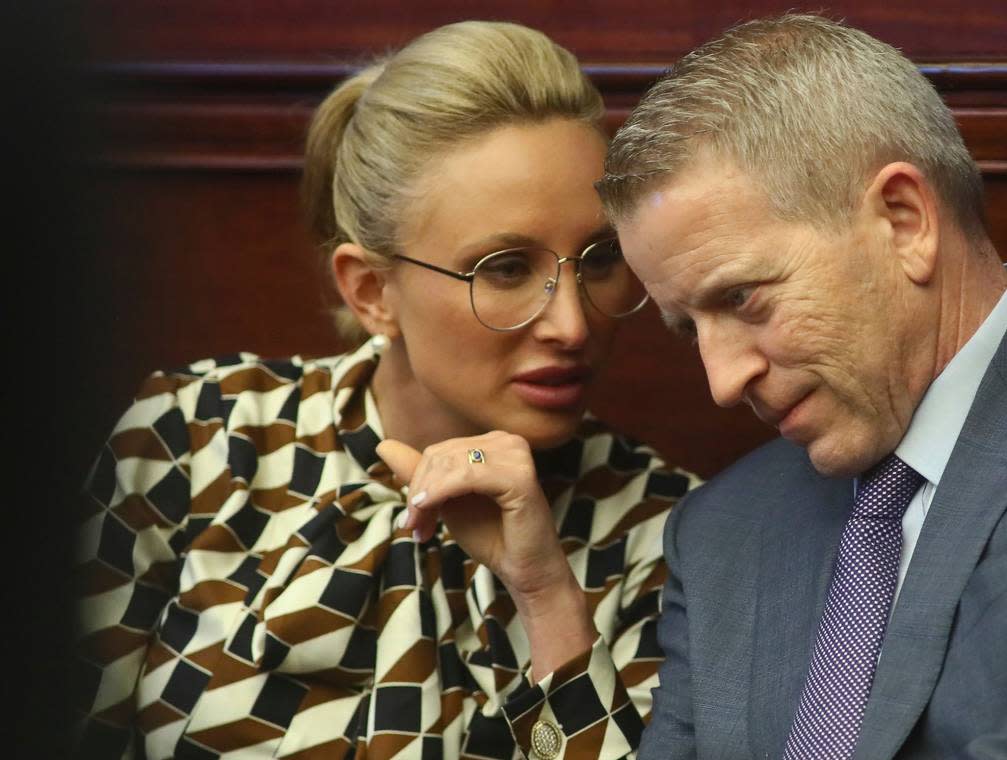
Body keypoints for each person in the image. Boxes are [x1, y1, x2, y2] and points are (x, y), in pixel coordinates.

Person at [74, 21, 697, 759]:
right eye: (503, 269)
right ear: (370, 291)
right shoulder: (198, 438)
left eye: (599, 259)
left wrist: (546, 594)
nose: (571, 323)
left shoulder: (671, 532)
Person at [598, 13, 1007, 760]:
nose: (722, 381)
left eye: (742, 298)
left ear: (904, 220)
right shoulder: (723, 531)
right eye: (689, 328)